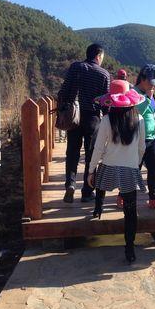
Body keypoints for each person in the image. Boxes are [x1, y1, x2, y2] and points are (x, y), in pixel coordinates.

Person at [88, 80, 146, 263]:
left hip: (109, 165)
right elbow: (142, 147)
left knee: (101, 185)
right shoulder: (140, 119)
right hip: (129, 168)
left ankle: (98, 208)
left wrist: (91, 170)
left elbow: (98, 148)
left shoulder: (106, 119)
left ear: (111, 101)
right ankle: (130, 250)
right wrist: (135, 165)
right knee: (130, 212)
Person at [58, 43, 110, 203]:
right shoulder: (104, 74)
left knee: (72, 152)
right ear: (98, 56)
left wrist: (62, 108)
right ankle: (87, 192)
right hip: (93, 118)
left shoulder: (75, 67)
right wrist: (108, 121)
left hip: (75, 116)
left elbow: (64, 91)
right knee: (90, 155)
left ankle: (70, 184)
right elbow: (106, 102)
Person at [132, 64, 155, 210]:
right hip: (138, 138)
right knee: (135, 169)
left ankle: (154, 198)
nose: (153, 85)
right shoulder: (133, 92)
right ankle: (123, 196)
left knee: (154, 168)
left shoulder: (151, 93)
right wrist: (148, 97)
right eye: (151, 81)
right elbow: (138, 110)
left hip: (152, 138)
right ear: (142, 78)